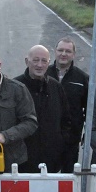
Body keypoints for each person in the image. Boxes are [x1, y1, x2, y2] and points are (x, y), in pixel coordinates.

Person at [15, 45, 72, 173]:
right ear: (26, 61)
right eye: (35, 60)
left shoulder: (56, 87)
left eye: (44, 61)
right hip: (22, 162)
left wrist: (60, 145)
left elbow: (66, 120)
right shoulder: (15, 87)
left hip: (51, 161)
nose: (39, 65)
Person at [46, 37, 89, 169]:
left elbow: (89, 108)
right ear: (55, 51)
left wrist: (87, 132)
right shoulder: (44, 73)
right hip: (46, 138)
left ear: (74, 54)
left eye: (68, 51)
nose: (63, 54)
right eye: (60, 50)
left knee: (68, 178)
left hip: (71, 139)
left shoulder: (82, 78)